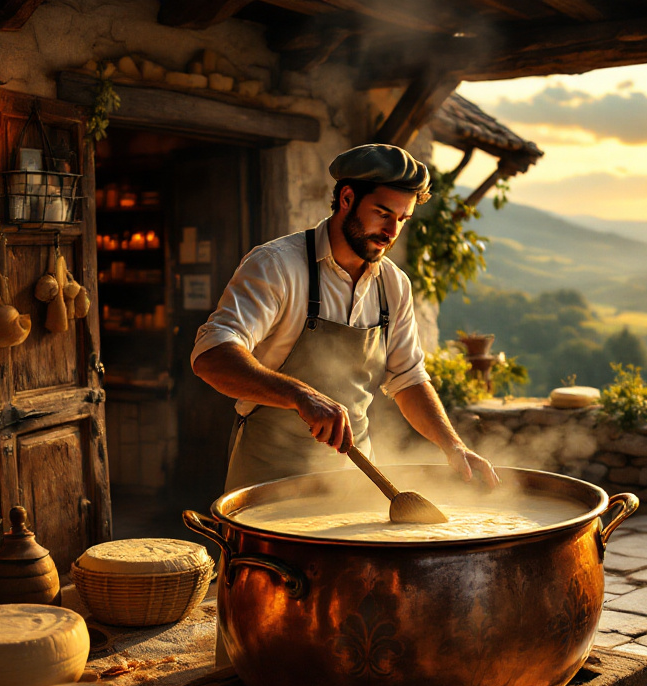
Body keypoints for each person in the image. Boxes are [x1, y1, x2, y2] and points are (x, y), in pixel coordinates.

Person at [191, 144, 499, 493]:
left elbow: (408, 378)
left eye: (402, 219)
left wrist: (453, 446)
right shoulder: (277, 265)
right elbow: (211, 356)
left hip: (353, 485)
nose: (391, 231)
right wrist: (300, 395)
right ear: (348, 198)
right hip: (268, 484)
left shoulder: (394, 285)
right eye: (383, 213)